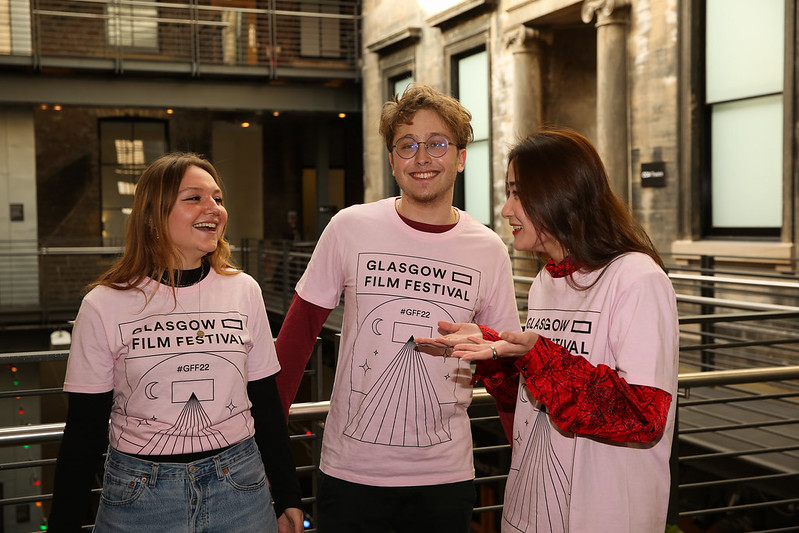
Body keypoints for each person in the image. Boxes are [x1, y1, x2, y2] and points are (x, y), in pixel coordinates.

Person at [274, 84, 521, 532]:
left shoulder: (488, 249)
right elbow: (293, 345)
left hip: (445, 477)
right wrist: (274, 471)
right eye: (407, 145)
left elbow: (503, 369)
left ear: (461, 157)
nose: (422, 157)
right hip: (351, 474)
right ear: (392, 161)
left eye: (437, 144)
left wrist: (523, 461)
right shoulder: (350, 227)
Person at [415, 127, 679, 532]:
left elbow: (642, 417)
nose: (506, 210)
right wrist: (494, 350)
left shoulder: (637, 278)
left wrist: (537, 355)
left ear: (561, 194)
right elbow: (538, 396)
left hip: (603, 517)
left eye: (518, 193)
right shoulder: (546, 282)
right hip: (531, 509)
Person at [47, 153, 304, 533]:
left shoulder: (243, 291)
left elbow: (265, 401)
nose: (213, 208)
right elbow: (84, 429)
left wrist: (287, 496)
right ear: (152, 215)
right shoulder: (104, 304)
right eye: (194, 198)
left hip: (240, 489)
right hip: (140, 498)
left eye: (217, 198)